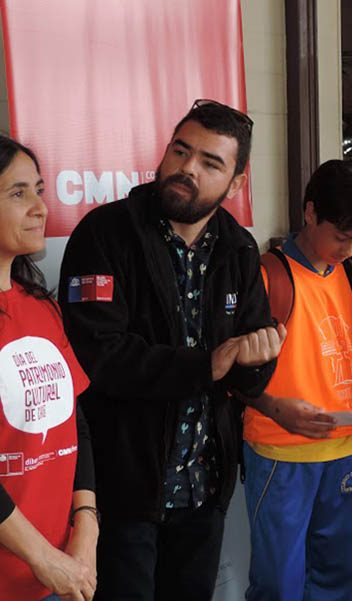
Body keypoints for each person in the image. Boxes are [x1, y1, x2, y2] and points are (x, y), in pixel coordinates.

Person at [58, 100, 285, 600]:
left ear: (236, 183)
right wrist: (211, 363)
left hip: (204, 487)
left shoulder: (239, 248)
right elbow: (102, 357)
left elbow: (248, 372)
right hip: (123, 489)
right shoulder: (105, 233)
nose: (187, 168)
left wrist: (258, 359)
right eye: (181, 151)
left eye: (210, 162)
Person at [241, 159, 352, 600]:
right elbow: (235, 370)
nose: (350, 249)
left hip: (346, 446)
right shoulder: (269, 276)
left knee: (340, 576)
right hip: (283, 452)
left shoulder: (348, 273)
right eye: (342, 237)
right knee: (279, 582)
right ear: (309, 213)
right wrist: (274, 407)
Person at [0, 135, 99, 600]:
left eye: (38, 189)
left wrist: (87, 528)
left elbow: (73, 423)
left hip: (56, 575)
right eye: (18, 193)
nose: (40, 207)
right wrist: (43, 558)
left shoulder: (43, 308)